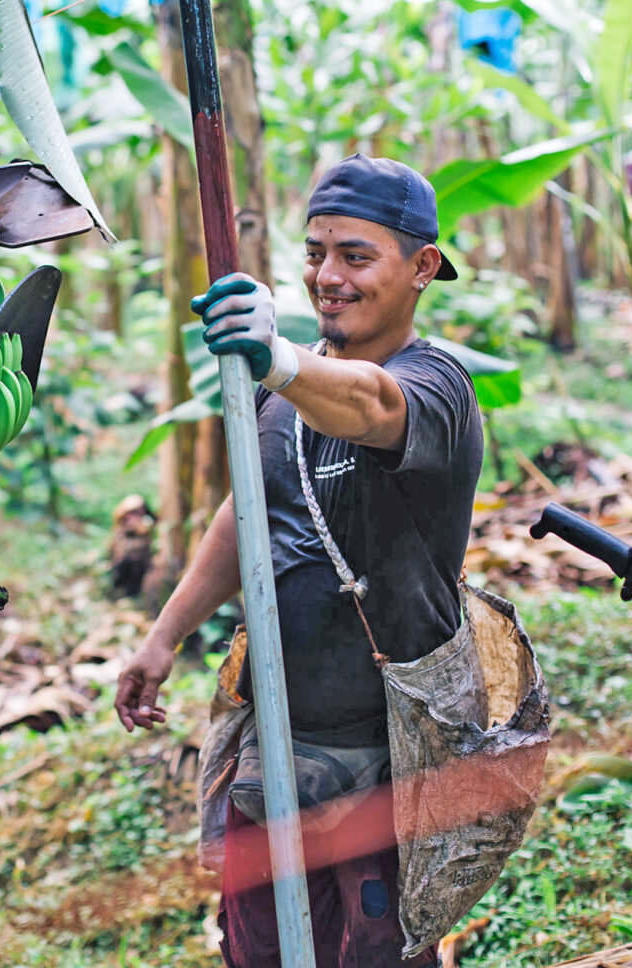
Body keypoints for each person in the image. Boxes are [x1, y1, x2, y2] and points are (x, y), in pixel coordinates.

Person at [115, 155, 483, 968]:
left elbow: (371, 405)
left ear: (422, 267)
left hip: (386, 760)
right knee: (259, 952)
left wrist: (278, 358)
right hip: (277, 743)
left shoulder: (437, 386)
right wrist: (165, 635)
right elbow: (246, 514)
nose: (328, 277)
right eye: (316, 254)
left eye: (356, 256)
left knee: (379, 955)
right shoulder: (280, 398)